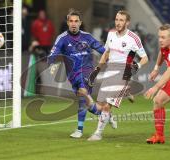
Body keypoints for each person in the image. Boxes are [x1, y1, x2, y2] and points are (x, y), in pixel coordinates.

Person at [47, 9, 115, 138]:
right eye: (71, 21)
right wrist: (52, 63)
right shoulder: (62, 38)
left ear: (80, 23)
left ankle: (79, 130)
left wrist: (113, 59)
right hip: (72, 76)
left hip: (87, 71)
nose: (73, 24)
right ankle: (105, 114)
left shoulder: (87, 37)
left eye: (76, 21)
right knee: (88, 105)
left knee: (83, 98)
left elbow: (102, 50)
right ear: (67, 23)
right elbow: (53, 54)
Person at [87, 10, 148, 141]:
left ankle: (98, 133)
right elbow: (106, 53)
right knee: (98, 107)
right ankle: (109, 116)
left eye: (121, 20)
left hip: (123, 73)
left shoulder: (133, 38)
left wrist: (137, 66)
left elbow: (145, 58)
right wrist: (97, 69)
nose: (118, 22)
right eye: (116, 19)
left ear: (127, 22)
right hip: (110, 70)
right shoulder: (110, 34)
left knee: (107, 105)